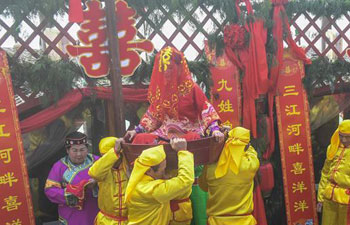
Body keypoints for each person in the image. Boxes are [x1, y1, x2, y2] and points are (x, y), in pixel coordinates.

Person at [124, 46, 224, 144]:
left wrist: (215, 129)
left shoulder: (191, 88)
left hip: (188, 132)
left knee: (194, 139)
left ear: (179, 68)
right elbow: (153, 116)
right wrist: (136, 131)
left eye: (170, 68)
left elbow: (206, 109)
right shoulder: (162, 91)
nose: (166, 72)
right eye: (163, 68)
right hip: (164, 133)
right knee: (139, 139)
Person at [125, 138, 194, 225]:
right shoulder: (153, 190)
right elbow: (186, 180)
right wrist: (183, 151)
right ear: (149, 170)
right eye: (163, 170)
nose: (164, 174)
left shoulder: (137, 180)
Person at [198, 127, 259, 225]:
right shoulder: (250, 165)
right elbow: (250, 150)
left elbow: (203, 186)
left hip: (217, 222)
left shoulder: (211, 167)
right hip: (245, 221)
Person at [45, 131, 99, 225]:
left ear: (87, 149)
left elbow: (112, 179)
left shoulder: (98, 162)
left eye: (82, 149)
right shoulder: (59, 166)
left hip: (95, 211)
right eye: (74, 150)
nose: (79, 154)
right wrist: (72, 193)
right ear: (67, 150)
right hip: (70, 214)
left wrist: (97, 183)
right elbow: (50, 190)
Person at [88, 137, 129, 225]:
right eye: (104, 156)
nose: (108, 159)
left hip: (129, 221)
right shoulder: (103, 170)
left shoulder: (128, 166)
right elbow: (94, 173)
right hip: (106, 221)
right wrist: (113, 153)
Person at [317, 119, 350, 225]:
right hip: (329, 197)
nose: (344, 140)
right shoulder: (333, 148)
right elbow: (325, 173)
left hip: (347, 200)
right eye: (341, 136)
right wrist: (321, 198)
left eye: (347, 137)